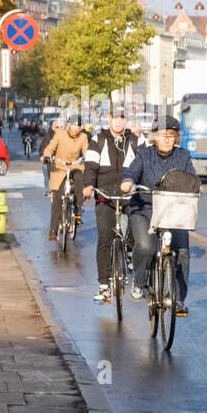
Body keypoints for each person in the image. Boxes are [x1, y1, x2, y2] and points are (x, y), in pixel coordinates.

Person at [121, 117, 196, 316]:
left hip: (174, 212)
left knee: (182, 252)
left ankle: (179, 298)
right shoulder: (144, 154)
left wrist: (197, 185)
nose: (167, 140)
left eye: (171, 136)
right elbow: (131, 171)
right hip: (145, 208)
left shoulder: (184, 156)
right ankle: (138, 283)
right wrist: (128, 181)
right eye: (163, 136)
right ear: (155, 137)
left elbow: (192, 177)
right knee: (146, 247)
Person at [82, 113, 141, 302]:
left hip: (129, 194)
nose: (118, 121)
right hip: (105, 196)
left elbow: (145, 165)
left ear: (126, 121)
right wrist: (88, 185)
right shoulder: (98, 140)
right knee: (104, 239)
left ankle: (131, 250)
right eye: (115, 117)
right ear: (109, 119)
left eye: (122, 118)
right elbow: (90, 166)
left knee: (138, 226)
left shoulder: (136, 141)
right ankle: (104, 285)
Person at [41, 118, 88, 241]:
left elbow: (86, 151)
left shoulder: (83, 137)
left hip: (75, 165)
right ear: (69, 125)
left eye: (79, 126)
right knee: (57, 196)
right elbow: (50, 148)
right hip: (60, 167)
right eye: (74, 125)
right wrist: (47, 156)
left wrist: (89, 158)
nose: (76, 128)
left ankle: (78, 207)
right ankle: (53, 230)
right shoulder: (60, 134)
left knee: (79, 177)